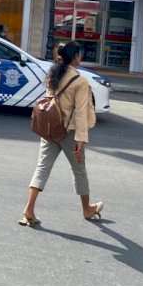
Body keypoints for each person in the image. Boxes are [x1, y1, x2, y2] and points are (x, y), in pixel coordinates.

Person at [19, 41, 103, 226]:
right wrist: (81, 139)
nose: (80, 57)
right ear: (74, 57)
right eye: (79, 54)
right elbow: (81, 112)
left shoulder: (53, 74)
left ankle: (29, 210)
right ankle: (87, 209)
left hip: (50, 129)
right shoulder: (79, 81)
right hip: (69, 132)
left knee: (42, 168)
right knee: (79, 170)